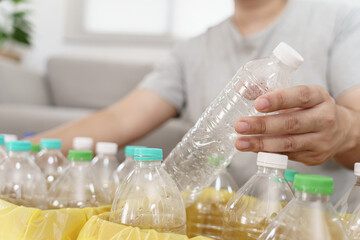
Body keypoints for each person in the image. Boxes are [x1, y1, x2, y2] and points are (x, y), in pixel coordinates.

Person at [29, 0, 360, 201]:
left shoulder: (340, 21)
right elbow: (118, 119)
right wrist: (23, 149)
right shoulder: (191, 50)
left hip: (310, 220)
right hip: (214, 218)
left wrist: (344, 131)